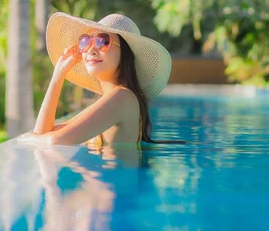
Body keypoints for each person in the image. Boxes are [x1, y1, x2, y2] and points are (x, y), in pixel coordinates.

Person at [18, 12, 183, 146]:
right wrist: (59, 74)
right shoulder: (112, 100)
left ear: (125, 53)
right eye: (86, 41)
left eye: (103, 41)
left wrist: (24, 138)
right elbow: (44, 134)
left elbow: (55, 141)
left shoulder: (123, 98)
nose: (91, 49)